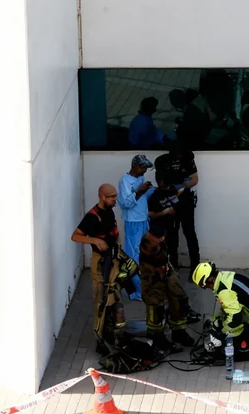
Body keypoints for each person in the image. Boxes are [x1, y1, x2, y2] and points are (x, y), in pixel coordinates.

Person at [71, 184, 127, 352]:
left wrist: (119, 251)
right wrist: (95, 240)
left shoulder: (109, 211)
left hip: (113, 260)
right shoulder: (92, 216)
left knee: (113, 297)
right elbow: (75, 236)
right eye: (111, 197)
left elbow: (115, 234)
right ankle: (99, 339)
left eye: (115, 197)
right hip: (100, 263)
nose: (114, 200)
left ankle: (109, 332)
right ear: (101, 196)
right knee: (100, 301)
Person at [138, 228, 195, 351]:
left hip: (167, 268)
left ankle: (178, 331)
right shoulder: (147, 243)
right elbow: (153, 261)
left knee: (179, 298)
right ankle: (157, 336)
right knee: (155, 305)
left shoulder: (162, 236)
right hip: (152, 273)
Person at [154, 140, 201, 269]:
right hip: (170, 201)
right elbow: (161, 184)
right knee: (171, 234)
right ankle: (173, 266)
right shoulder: (162, 161)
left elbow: (195, 179)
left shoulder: (188, 158)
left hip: (186, 202)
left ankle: (195, 266)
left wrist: (182, 186)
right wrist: (171, 188)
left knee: (190, 233)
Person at [118, 155, 155, 301]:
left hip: (143, 220)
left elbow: (143, 197)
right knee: (134, 257)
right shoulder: (124, 182)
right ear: (137, 167)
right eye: (144, 167)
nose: (145, 170)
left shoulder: (140, 179)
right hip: (133, 223)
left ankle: (146, 287)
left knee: (146, 255)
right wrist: (139, 191)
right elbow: (125, 203)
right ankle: (138, 291)